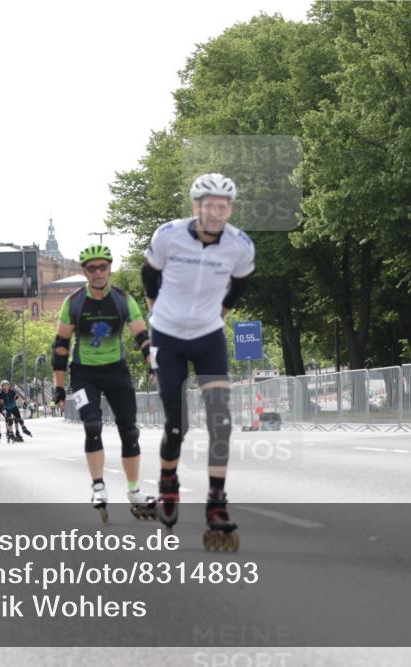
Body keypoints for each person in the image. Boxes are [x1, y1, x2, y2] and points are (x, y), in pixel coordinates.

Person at [141, 173, 254, 550]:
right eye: (209, 205)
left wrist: (222, 310)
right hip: (167, 337)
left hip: (208, 337)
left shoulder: (239, 245)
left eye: (224, 206)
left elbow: (241, 282)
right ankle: (168, 482)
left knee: (221, 420)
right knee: (178, 422)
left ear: (230, 209)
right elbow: (149, 274)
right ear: (196, 207)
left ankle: (216, 502)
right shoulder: (168, 235)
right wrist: (156, 310)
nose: (216, 212)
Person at [52, 244, 156, 522]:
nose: (98, 273)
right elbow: (61, 346)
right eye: (91, 268)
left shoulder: (123, 300)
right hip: (84, 373)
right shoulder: (73, 302)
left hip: (116, 371)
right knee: (92, 424)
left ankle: (134, 490)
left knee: (130, 431)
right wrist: (59, 387)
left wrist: (153, 366)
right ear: (84, 271)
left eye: (102, 267)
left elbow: (142, 337)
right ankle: (98, 485)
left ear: (110, 267)